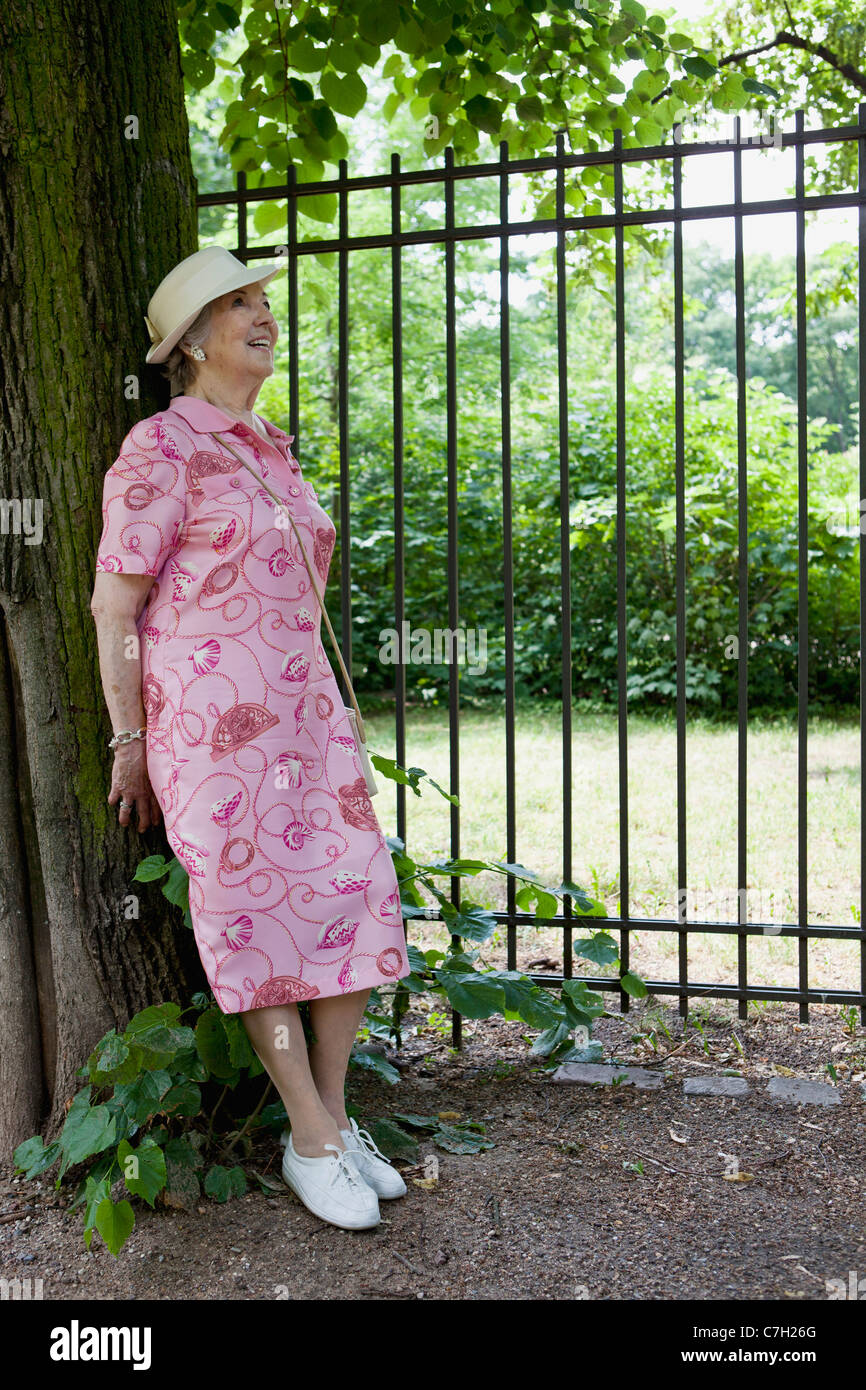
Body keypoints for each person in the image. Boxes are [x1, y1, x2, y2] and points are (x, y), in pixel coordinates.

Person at [90, 246, 408, 1231]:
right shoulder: (159, 449)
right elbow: (114, 605)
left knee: (353, 893)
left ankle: (336, 1118)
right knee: (252, 917)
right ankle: (307, 1132)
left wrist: (327, 694)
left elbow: (293, 594)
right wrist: (128, 737)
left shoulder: (272, 444)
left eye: (262, 299)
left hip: (305, 716)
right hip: (211, 732)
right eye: (237, 306)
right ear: (189, 343)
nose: (261, 316)